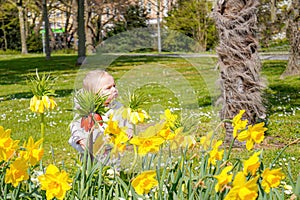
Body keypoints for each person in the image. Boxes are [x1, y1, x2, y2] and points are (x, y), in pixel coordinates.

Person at [68, 70, 132, 168]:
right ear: (94, 93)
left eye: (114, 86)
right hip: (90, 146)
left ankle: (113, 178)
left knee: (112, 167)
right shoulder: (86, 110)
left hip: (110, 147)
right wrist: (80, 139)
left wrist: (129, 129)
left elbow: (126, 119)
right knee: (90, 166)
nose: (114, 90)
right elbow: (76, 125)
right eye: (108, 88)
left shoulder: (117, 106)